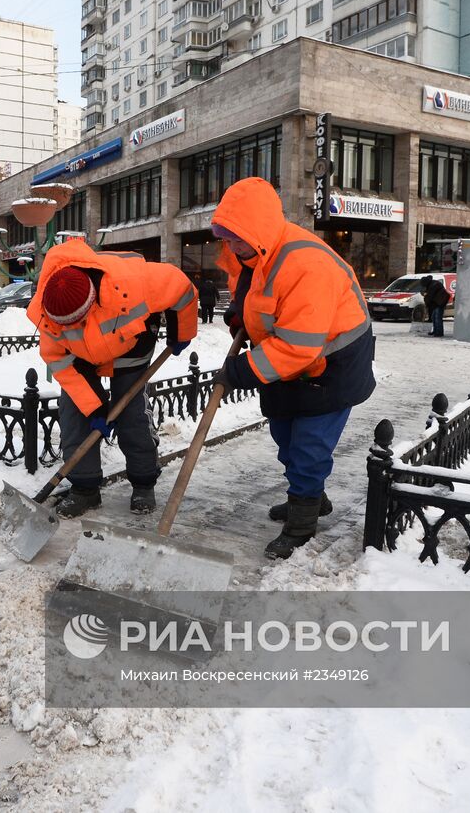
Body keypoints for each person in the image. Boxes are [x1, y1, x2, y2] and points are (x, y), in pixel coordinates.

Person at [211, 177, 377, 560]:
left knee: (308, 444)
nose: (231, 247)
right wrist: (242, 313)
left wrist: (239, 372)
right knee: (284, 433)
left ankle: (302, 522)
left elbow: (300, 346)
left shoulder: (305, 263)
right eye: (227, 237)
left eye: (237, 239)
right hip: (288, 358)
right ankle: (312, 497)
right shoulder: (251, 252)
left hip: (332, 363)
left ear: (258, 231)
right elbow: (255, 293)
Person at [27, 237, 198, 517]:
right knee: (75, 414)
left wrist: (183, 332)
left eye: (77, 321)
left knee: (132, 414)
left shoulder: (138, 281)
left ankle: (143, 482)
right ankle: (85, 488)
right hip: (81, 356)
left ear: (92, 302)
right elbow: (59, 362)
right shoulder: (48, 313)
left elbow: (183, 289)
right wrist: (93, 407)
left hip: (132, 342)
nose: (72, 327)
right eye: (66, 324)